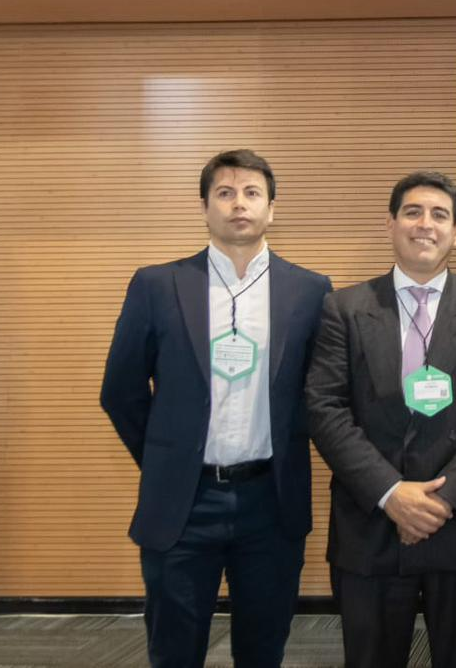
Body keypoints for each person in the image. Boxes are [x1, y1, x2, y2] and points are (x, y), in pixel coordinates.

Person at [100, 149, 333, 668]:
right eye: (224, 193)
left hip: (271, 501)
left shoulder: (310, 290)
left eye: (252, 193)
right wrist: (168, 458)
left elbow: (321, 394)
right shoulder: (157, 284)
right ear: (205, 207)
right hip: (184, 503)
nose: (238, 204)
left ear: (271, 208)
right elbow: (120, 390)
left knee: (263, 650)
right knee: (174, 651)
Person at [305, 171, 456, 668]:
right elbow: (324, 407)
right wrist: (392, 494)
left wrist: (440, 501)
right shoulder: (345, 308)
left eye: (440, 215)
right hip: (372, 526)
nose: (426, 224)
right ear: (391, 223)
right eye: (413, 212)